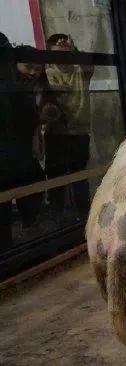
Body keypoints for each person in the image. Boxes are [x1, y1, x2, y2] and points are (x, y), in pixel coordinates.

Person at [0, 41, 57, 250]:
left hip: (26, 155)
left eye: (37, 68)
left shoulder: (34, 86)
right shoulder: (10, 89)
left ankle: (30, 241)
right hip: (9, 157)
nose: (33, 72)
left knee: (33, 194)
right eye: (28, 67)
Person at [44, 33, 94, 220]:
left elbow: (89, 65)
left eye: (66, 53)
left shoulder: (79, 71)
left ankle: (84, 219)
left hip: (78, 133)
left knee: (79, 179)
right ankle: (57, 219)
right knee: (56, 179)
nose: (63, 58)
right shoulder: (47, 74)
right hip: (56, 133)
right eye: (57, 53)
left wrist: (75, 49)